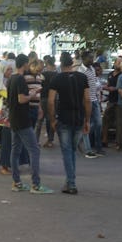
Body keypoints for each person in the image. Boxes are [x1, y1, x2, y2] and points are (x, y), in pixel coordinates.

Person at [47, 51, 91, 194]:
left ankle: (71, 183)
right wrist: (87, 120)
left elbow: (51, 101)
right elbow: (87, 100)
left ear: (61, 63)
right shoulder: (82, 78)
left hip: (64, 119)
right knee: (71, 150)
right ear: (72, 63)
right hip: (78, 118)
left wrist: (53, 120)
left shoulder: (57, 79)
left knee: (67, 151)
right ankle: (70, 180)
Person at [8, 54, 52, 194]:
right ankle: (36, 184)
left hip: (14, 118)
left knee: (15, 150)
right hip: (22, 119)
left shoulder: (11, 79)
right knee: (34, 150)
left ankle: (17, 182)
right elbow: (22, 99)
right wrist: (33, 94)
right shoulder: (20, 79)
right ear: (25, 64)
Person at [77, 50, 103, 157]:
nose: (92, 60)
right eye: (90, 58)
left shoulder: (92, 69)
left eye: (93, 57)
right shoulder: (80, 71)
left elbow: (94, 83)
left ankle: (80, 140)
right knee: (86, 124)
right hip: (85, 101)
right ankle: (88, 150)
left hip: (94, 100)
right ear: (84, 59)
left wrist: (98, 86)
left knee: (98, 124)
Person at [35, 55, 57, 147]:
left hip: (43, 97)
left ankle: (36, 140)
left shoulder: (42, 74)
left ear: (47, 63)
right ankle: (50, 140)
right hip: (53, 99)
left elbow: (39, 87)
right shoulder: (56, 74)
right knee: (50, 119)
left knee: (39, 120)